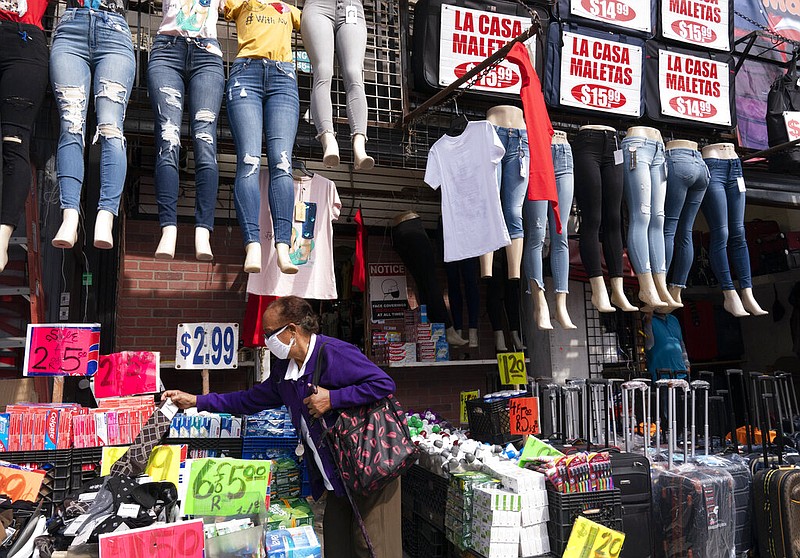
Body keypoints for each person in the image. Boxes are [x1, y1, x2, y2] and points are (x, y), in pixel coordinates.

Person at [162, 295, 401, 558]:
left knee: (372, 547)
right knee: (337, 547)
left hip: (370, 466)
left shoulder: (334, 353)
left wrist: (332, 399)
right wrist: (196, 400)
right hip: (338, 475)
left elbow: (383, 384)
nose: (266, 342)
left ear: (291, 331)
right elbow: (248, 400)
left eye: (269, 334)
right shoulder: (284, 373)